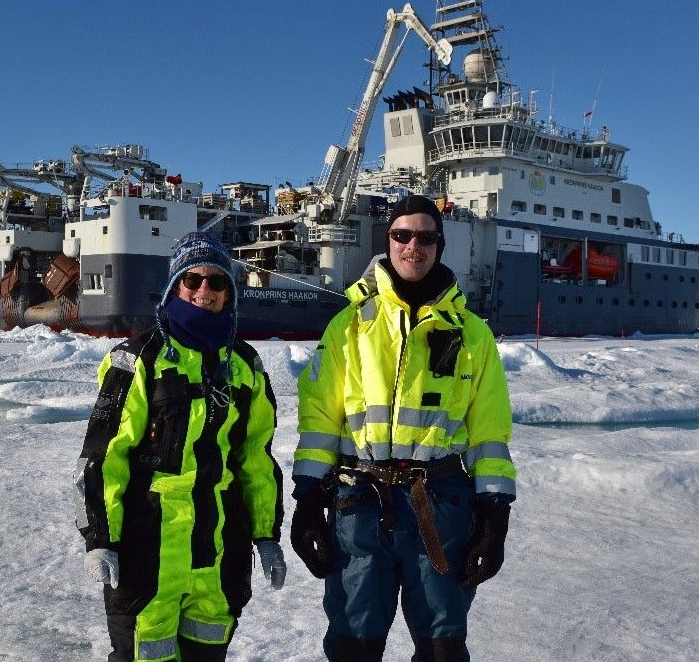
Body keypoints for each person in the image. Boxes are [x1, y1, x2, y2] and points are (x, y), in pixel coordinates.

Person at [290, 196, 516, 661]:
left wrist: (495, 515)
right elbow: (320, 422)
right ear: (388, 241)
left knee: (442, 648)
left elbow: (489, 431)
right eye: (402, 235)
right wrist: (309, 499)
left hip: (441, 507)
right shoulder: (348, 327)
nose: (414, 247)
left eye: (426, 237)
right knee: (354, 643)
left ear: (440, 244)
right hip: (358, 505)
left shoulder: (472, 334)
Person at [76, 232, 286, 662]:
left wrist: (266, 534)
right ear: (175, 286)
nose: (204, 291)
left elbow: (255, 459)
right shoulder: (137, 361)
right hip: (147, 554)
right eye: (192, 280)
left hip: (218, 555)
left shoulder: (245, 366)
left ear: (229, 292)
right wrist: (100, 537)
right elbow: (103, 458)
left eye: (216, 282)